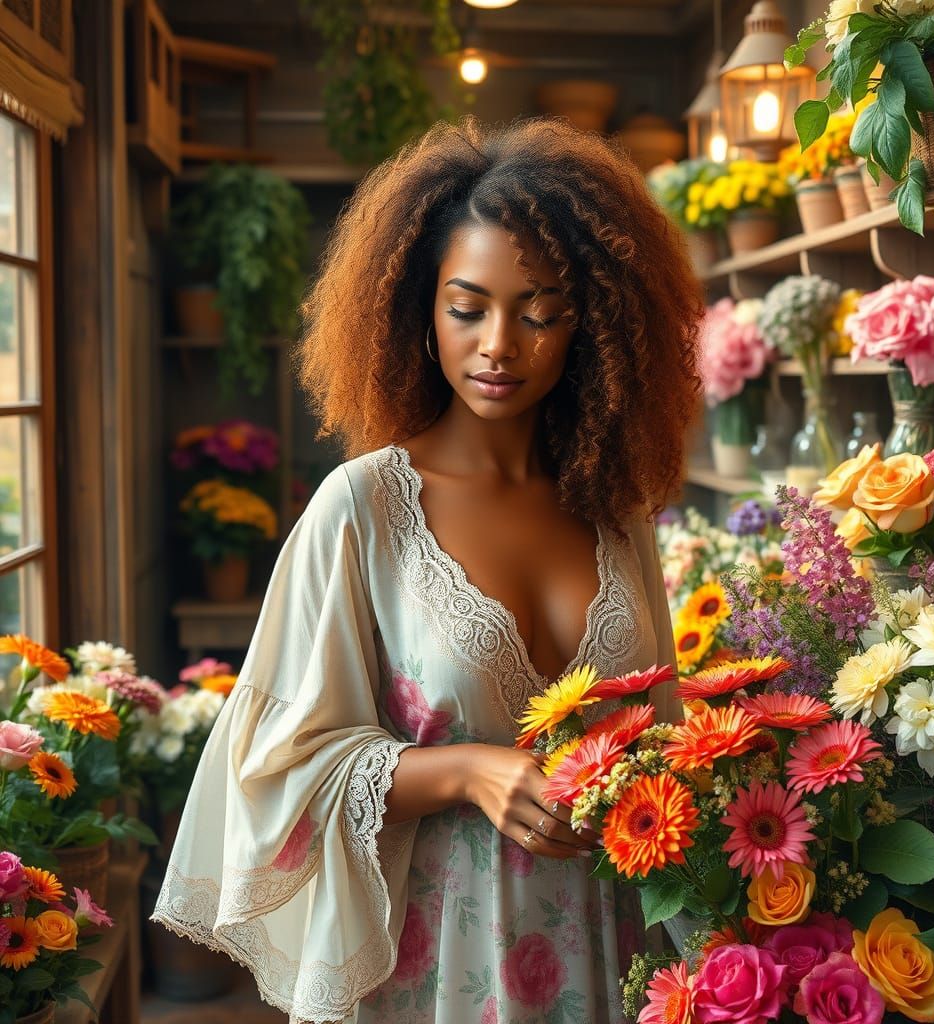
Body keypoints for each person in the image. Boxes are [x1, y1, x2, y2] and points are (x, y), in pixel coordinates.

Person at [153, 116, 703, 1024]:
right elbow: (272, 772)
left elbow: (664, 735)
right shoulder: (362, 509)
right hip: (442, 969)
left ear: (591, 323)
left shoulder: (618, 509)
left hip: (618, 956)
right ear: (420, 310)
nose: (500, 344)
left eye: (539, 312)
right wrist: (466, 772)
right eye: (467, 307)